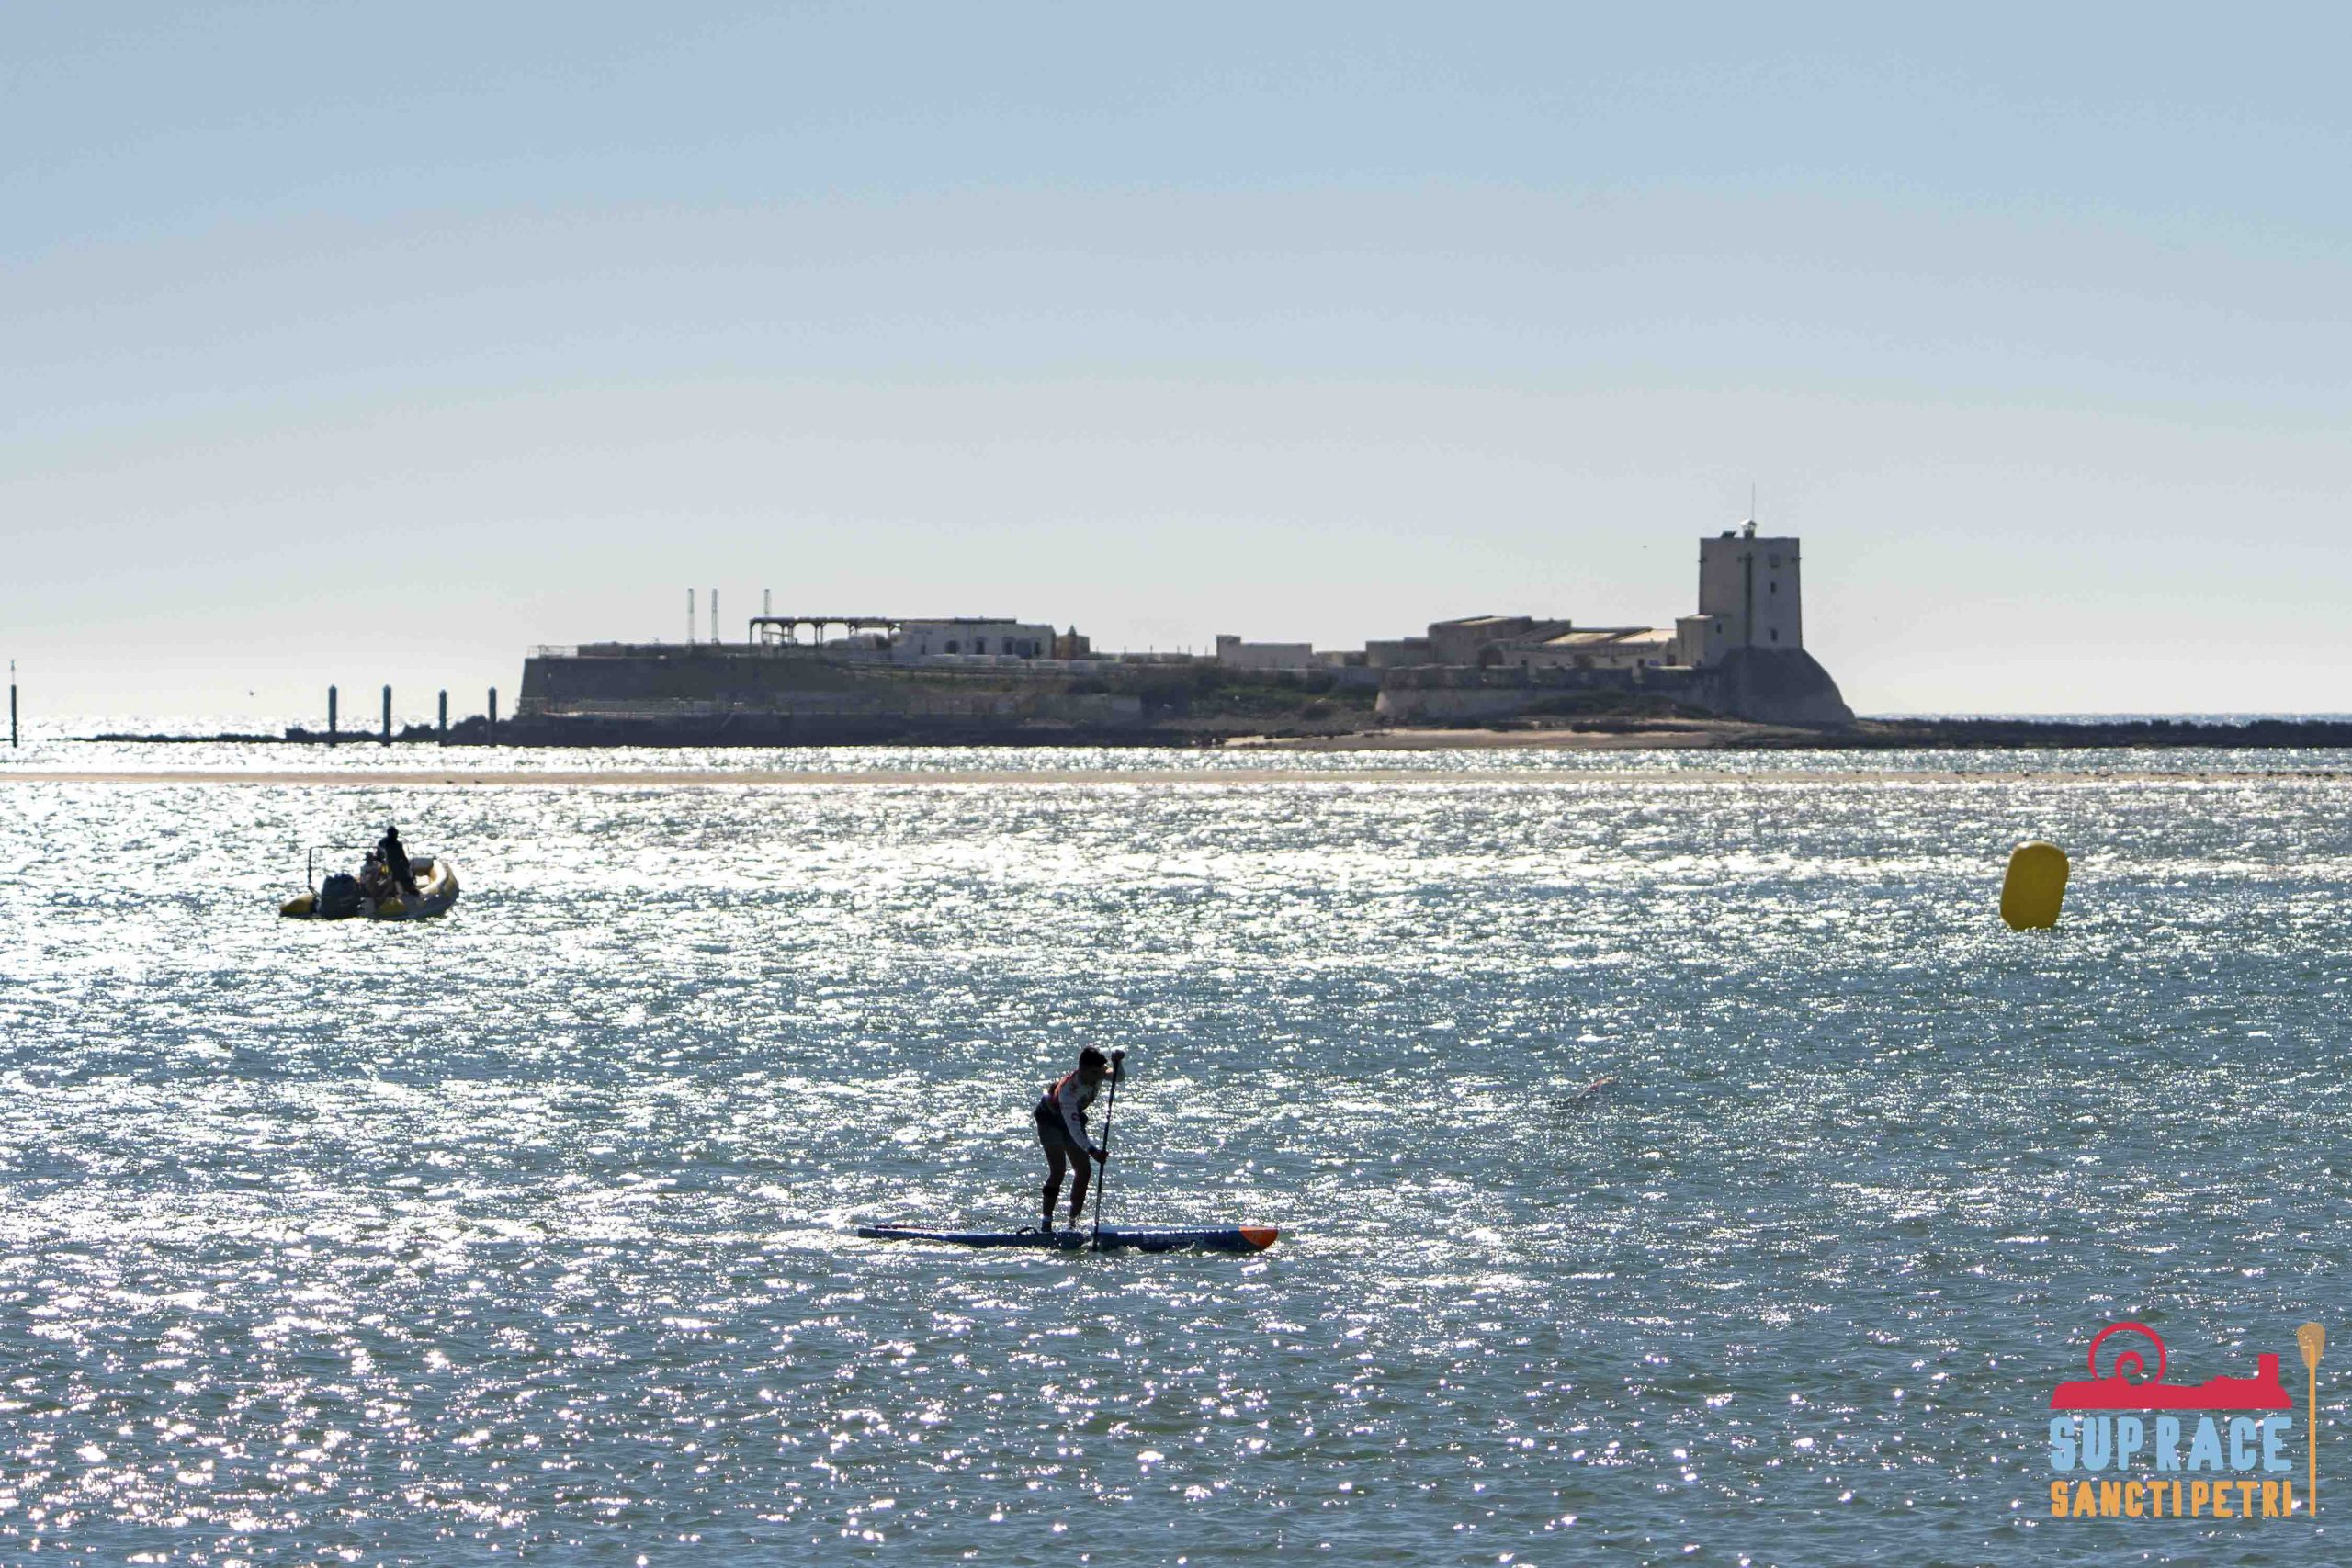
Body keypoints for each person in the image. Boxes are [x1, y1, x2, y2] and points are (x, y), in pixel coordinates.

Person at [1035, 1046, 1124, 1230]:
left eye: (1100, 1072)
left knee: (1084, 1171)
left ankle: (1072, 1225)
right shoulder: (1068, 1091)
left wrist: (1118, 1062)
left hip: (1073, 1117)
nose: (1098, 1077)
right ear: (1082, 1069)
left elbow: (1118, 1077)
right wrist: (1093, 1151)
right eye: (1094, 1073)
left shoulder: (1098, 1073)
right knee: (1058, 1171)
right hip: (1050, 1119)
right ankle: (1046, 1225)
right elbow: (1075, 1130)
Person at [375, 824, 418, 896]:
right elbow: (402, 857)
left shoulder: (382, 842)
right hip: (390, 866)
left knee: (396, 870)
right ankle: (406, 888)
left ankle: (399, 887)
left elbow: (378, 856)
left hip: (386, 865)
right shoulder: (397, 845)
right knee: (402, 873)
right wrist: (407, 866)